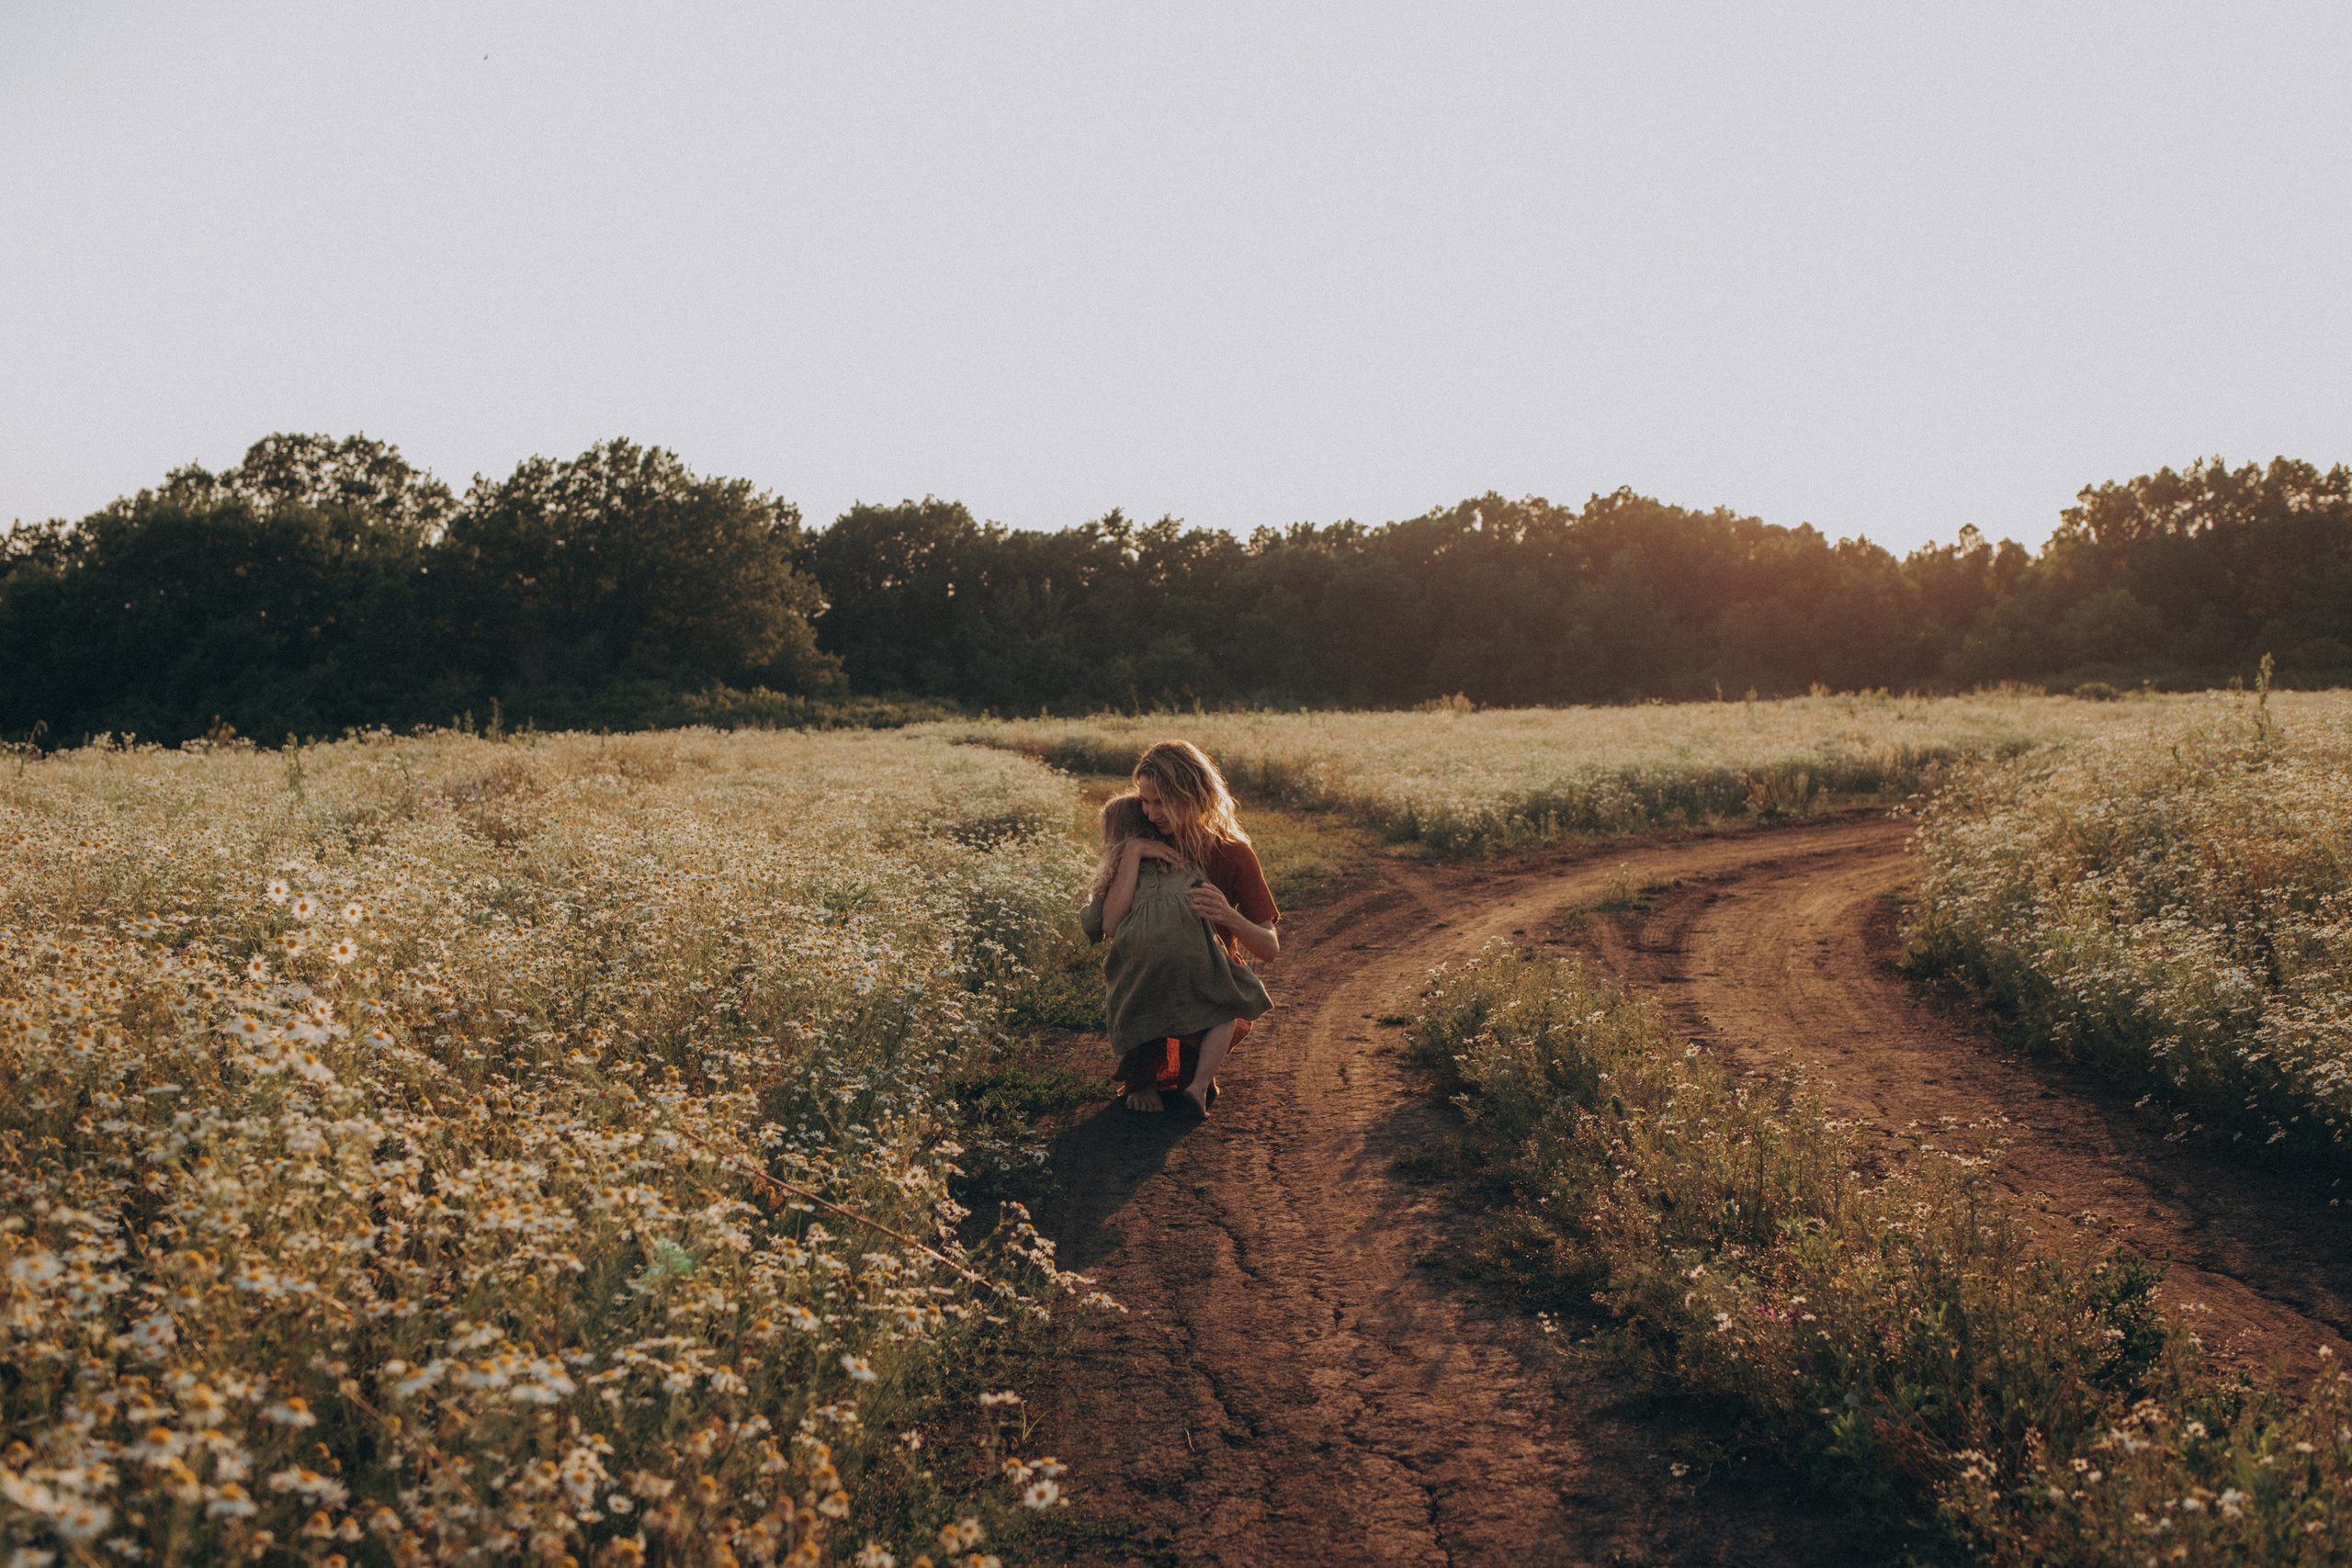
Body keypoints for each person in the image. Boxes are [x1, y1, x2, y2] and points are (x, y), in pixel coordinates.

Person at [1080, 740, 1280, 1115]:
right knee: (1149, 1000)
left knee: (1214, 1023)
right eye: (1145, 801)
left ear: (1195, 796)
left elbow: (1269, 948)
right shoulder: (1147, 842)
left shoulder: (1233, 852)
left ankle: (1193, 1072)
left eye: (1163, 802)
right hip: (1152, 982)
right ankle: (1150, 1070)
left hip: (1210, 980)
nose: (1151, 813)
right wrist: (1133, 852)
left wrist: (1229, 916)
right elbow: (1112, 924)